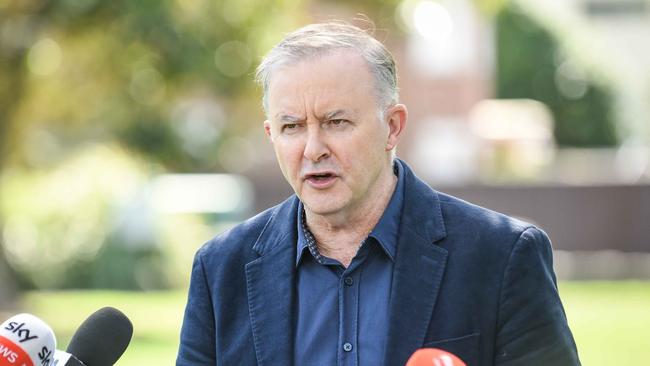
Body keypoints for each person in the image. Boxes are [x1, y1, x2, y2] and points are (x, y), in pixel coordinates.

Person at [177, 22, 580, 366]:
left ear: (392, 127)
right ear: (272, 136)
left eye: (336, 121)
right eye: (292, 127)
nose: (312, 148)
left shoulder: (502, 256)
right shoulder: (220, 269)